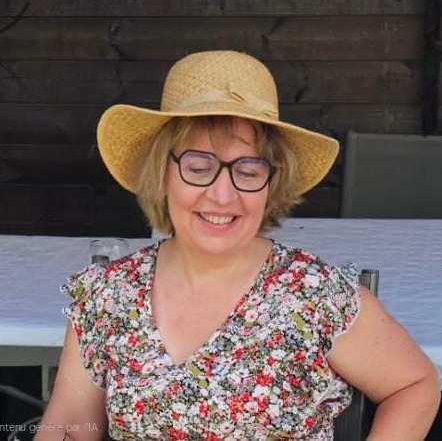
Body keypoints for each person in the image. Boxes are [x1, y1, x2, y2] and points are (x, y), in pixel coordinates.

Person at [35, 50, 440, 441]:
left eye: (248, 171)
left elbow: (414, 386)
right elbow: (69, 427)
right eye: (198, 167)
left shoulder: (314, 295)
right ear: (161, 173)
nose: (222, 196)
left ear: (271, 183)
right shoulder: (106, 297)